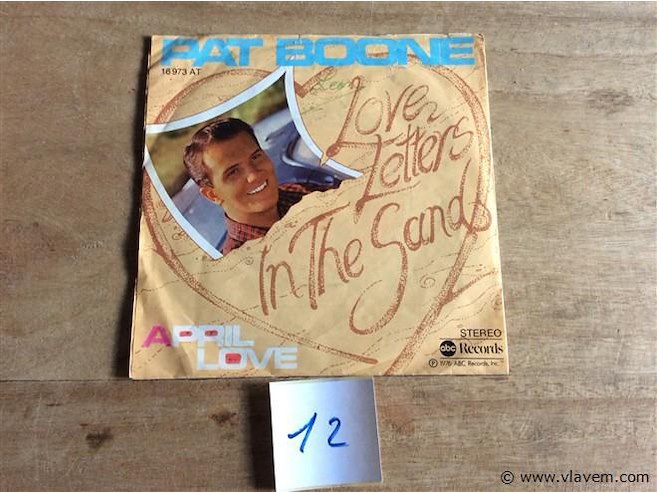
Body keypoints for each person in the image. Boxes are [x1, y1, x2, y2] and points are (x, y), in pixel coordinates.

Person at [183, 118, 327, 255]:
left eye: (255, 157)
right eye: (233, 172)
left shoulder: (302, 192)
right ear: (213, 195)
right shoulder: (241, 266)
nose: (254, 175)